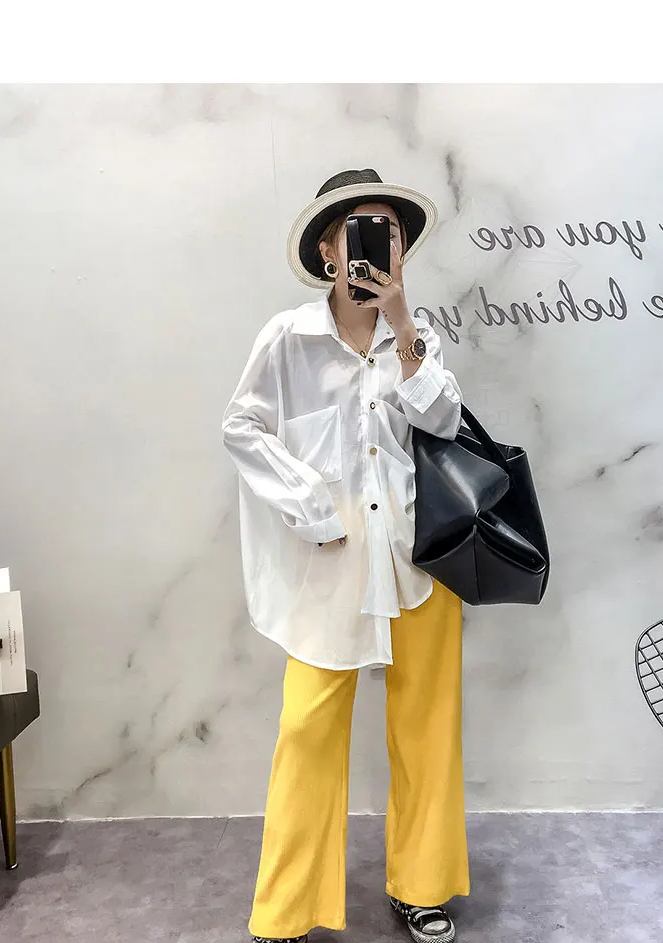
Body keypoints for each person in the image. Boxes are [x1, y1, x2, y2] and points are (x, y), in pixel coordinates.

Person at [222, 168, 469, 943]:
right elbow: (242, 427)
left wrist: (401, 324)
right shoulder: (287, 338)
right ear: (329, 248)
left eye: (388, 231)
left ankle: (421, 886)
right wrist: (309, 505)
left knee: (427, 728)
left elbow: (444, 420)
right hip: (329, 564)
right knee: (307, 729)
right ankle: (286, 912)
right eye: (360, 230)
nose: (376, 243)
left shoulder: (418, 336)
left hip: (419, 559)